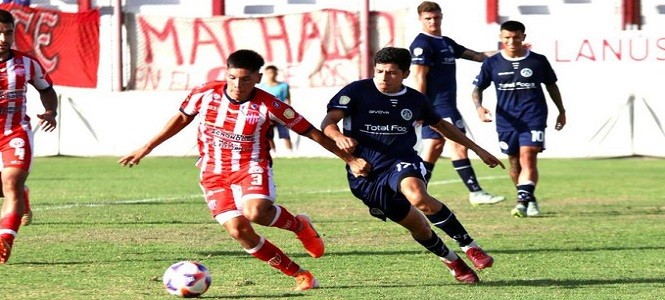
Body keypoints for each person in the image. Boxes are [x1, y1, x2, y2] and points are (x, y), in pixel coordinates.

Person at [118, 49, 370, 291]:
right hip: (212, 172)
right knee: (239, 230)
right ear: (226, 73)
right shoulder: (204, 93)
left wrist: (349, 159)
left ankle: (299, 226)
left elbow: (312, 132)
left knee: (256, 212)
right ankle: (300, 274)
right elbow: (182, 118)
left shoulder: (271, 105)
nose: (237, 85)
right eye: (232, 78)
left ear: (258, 78)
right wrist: (147, 146)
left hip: (251, 167)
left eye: (245, 79)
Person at [321, 47, 505, 284]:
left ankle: (471, 246)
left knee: (418, 196)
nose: (384, 78)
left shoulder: (415, 100)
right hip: (365, 173)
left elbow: (442, 125)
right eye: (379, 72)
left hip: (401, 161)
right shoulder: (357, 91)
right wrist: (338, 137)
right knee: (419, 228)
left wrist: (478, 149)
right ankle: (452, 261)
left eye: (391, 73)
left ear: (406, 74)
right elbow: (328, 122)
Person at [409, 1, 505, 206]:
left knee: (434, 147)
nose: (433, 21)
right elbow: (419, 78)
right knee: (459, 145)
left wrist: (506, 53)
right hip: (438, 106)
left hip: (445, 105)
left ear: (441, 16)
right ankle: (476, 192)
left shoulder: (446, 42)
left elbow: (478, 56)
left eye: (436, 17)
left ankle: (414, 190)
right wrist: (420, 107)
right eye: (428, 18)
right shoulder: (421, 44)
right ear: (420, 20)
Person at [471, 20, 566, 218]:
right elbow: (477, 89)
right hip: (507, 121)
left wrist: (561, 110)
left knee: (528, 156)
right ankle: (528, 198)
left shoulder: (538, 61)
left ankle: (522, 203)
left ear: (523, 36)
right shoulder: (492, 63)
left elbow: (551, 85)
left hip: (534, 116)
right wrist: (479, 108)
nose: (512, 41)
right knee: (514, 163)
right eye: (507, 37)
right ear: (501, 38)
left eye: (516, 37)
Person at [0, 9, 58, 264]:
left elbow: (46, 89)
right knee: (7, 187)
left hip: (15, 131)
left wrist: (51, 111)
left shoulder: (27, 63)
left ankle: (5, 239)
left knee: (10, 181)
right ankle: (23, 195)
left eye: (8, 33)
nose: (4, 39)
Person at [257, 65, 293, 155]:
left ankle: (290, 153)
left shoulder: (284, 86)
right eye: (269, 73)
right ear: (265, 74)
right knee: (268, 135)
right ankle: (273, 153)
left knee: (285, 134)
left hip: (281, 114)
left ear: (276, 73)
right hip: (267, 114)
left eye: (273, 72)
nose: (271, 75)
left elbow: (287, 99)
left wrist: (288, 111)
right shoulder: (261, 87)